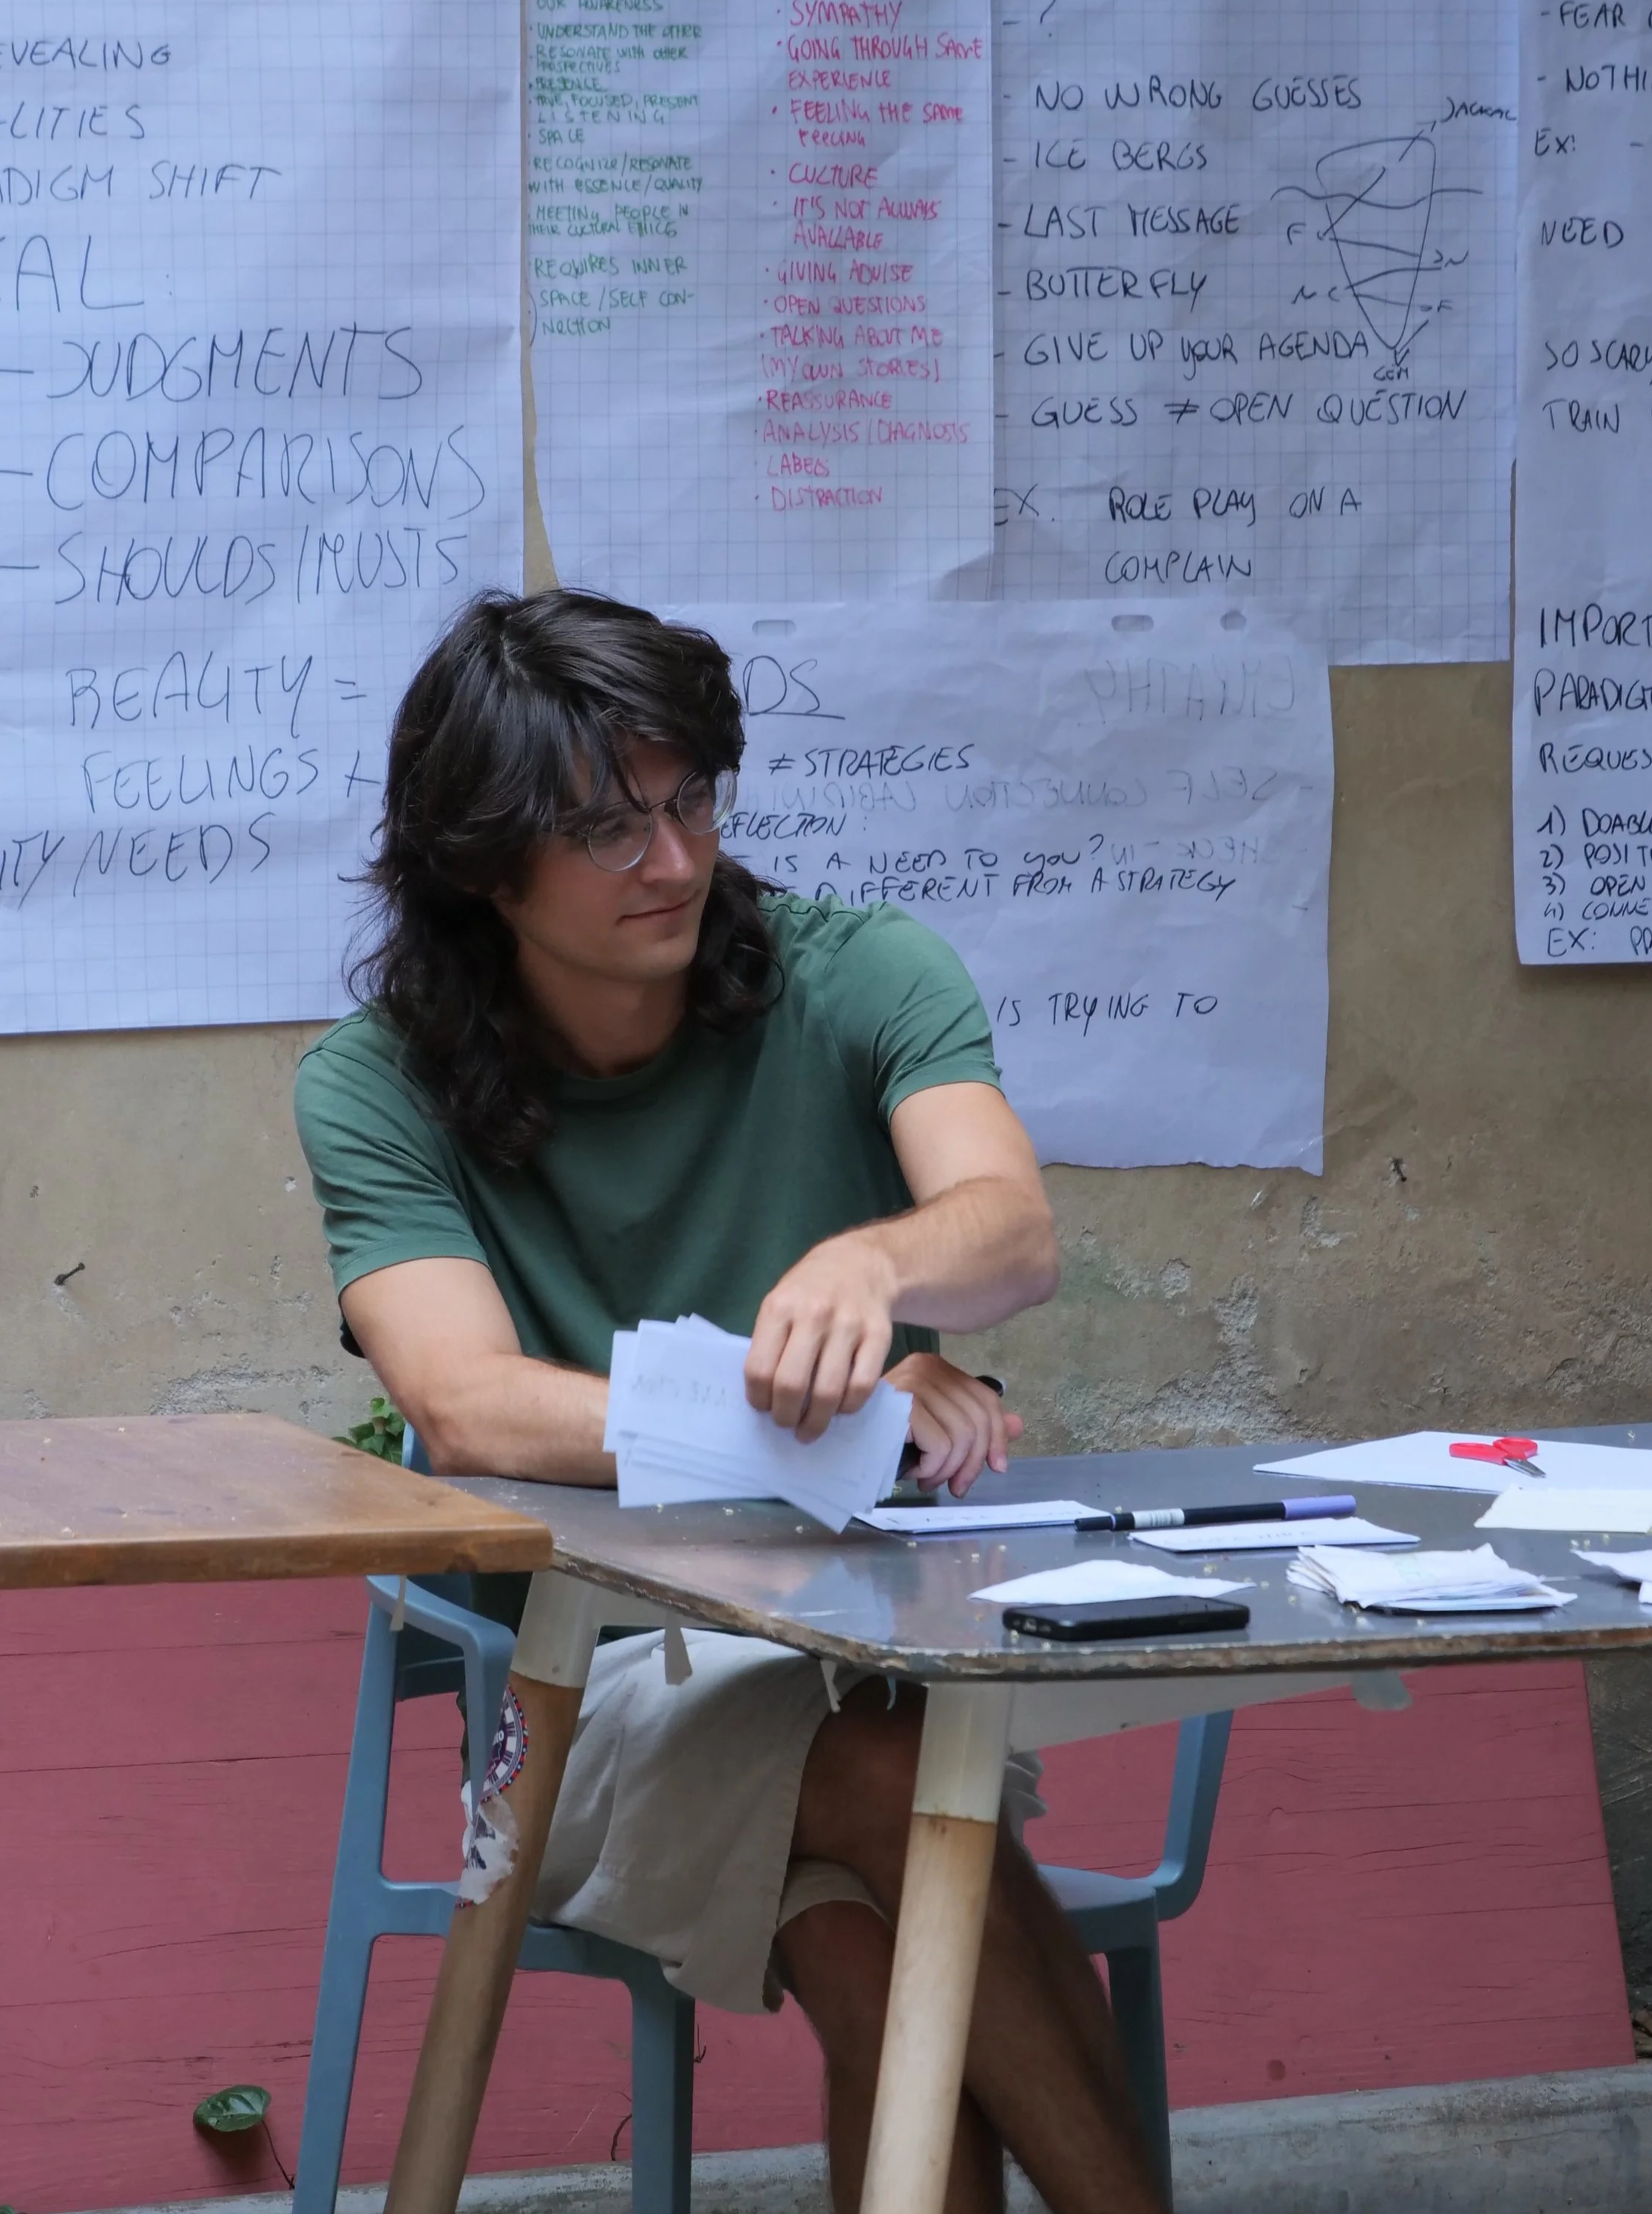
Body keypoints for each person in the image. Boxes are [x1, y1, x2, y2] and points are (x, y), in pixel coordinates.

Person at [294, 587, 1162, 2214]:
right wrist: (827, 1413)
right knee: (900, 1794)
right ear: (485, 865)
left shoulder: (855, 970)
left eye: (690, 801)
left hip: (869, 1661)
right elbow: (470, 1409)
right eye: (609, 829)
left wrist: (871, 1268)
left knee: (867, 1938)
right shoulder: (372, 1077)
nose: (677, 862)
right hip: (569, 1706)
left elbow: (1010, 1234)